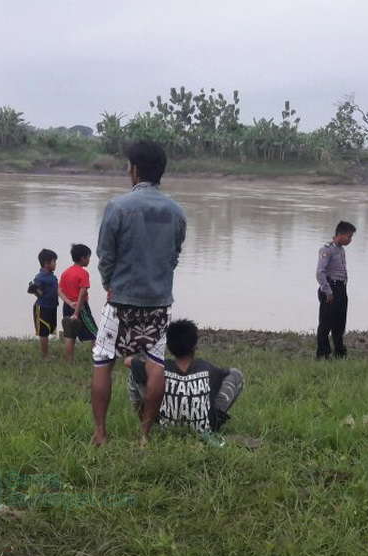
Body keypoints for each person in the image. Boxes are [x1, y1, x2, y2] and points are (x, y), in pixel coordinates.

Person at [91, 140, 187, 446]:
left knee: (103, 360)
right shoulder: (176, 211)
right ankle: (144, 435)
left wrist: (109, 284)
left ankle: (101, 433)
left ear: (133, 169)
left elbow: (105, 255)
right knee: (156, 363)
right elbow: (174, 255)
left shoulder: (118, 207)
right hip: (159, 302)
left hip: (121, 300)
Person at [125, 319, 243, 436]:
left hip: (165, 427)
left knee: (135, 373)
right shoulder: (207, 368)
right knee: (236, 374)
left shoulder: (160, 369)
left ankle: (145, 419)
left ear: (169, 347)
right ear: (194, 346)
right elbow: (230, 375)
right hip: (207, 429)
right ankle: (216, 417)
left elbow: (128, 362)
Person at [315, 221, 356, 359]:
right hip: (330, 289)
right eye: (349, 236)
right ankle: (323, 353)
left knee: (339, 323)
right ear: (340, 234)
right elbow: (320, 273)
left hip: (341, 289)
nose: (350, 240)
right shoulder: (327, 249)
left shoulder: (341, 250)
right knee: (325, 323)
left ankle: (339, 352)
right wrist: (328, 291)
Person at [58, 244, 98, 361]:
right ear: (82, 258)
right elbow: (83, 292)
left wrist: (69, 303)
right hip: (81, 307)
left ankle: (69, 359)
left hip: (67, 306)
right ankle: (97, 358)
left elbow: (59, 290)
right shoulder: (83, 273)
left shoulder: (66, 272)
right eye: (88, 257)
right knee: (95, 333)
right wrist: (76, 312)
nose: (89, 260)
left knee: (70, 334)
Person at [28, 248, 58, 359]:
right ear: (46, 263)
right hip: (42, 307)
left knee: (48, 330)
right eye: (54, 262)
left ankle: (46, 353)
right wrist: (36, 290)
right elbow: (34, 290)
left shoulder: (52, 276)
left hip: (52, 306)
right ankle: (45, 355)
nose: (55, 264)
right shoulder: (40, 277)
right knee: (43, 332)